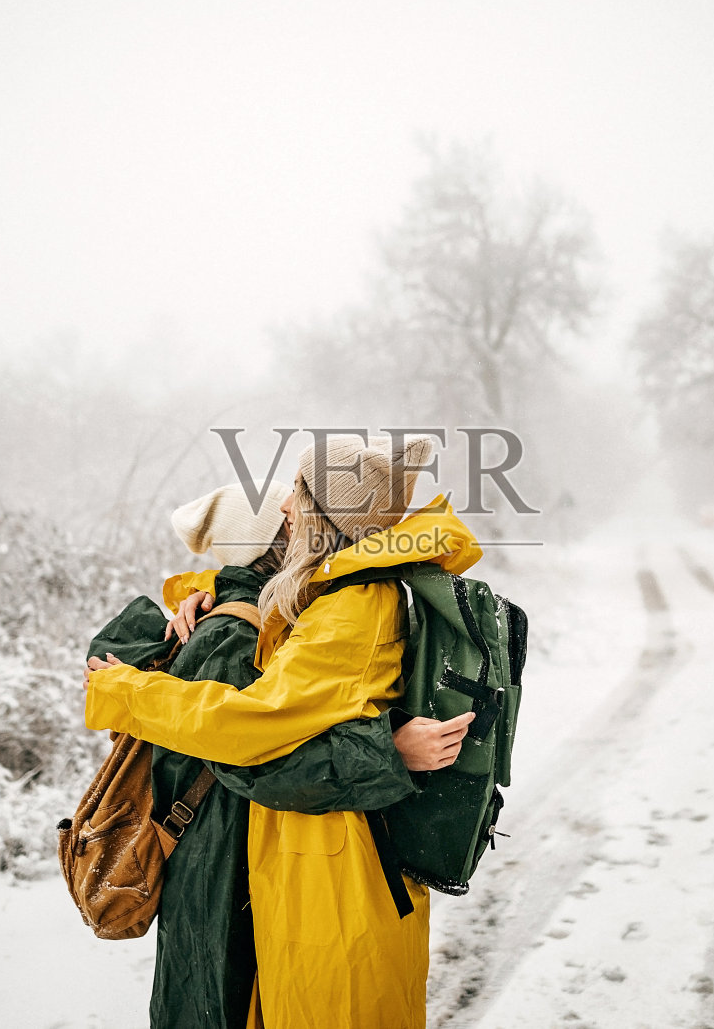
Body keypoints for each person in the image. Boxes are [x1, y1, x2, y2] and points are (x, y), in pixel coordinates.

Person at [84, 435, 481, 1029]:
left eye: (298, 492)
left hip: (337, 870)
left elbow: (250, 725)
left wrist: (125, 692)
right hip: (319, 856)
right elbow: (276, 615)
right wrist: (210, 589)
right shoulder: (340, 591)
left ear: (325, 516)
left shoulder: (354, 607)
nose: (286, 507)